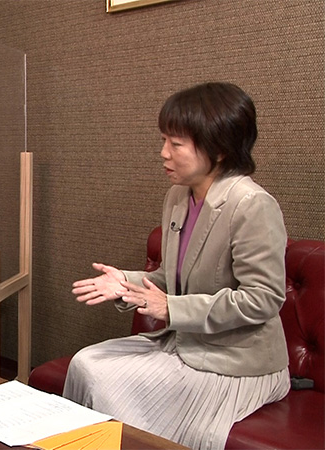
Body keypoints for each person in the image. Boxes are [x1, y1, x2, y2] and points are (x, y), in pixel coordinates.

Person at [67, 82, 289, 450]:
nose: (163, 153)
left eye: (176, 143)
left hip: (237, 360)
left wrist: (170, 308)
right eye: (164, 141)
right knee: (84, 362)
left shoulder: (252, 204)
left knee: (102, 378)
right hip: (184, 343)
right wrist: (125, 282)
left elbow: (262, 299)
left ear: (218, 148)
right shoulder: (178, 197)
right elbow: (172, 280)